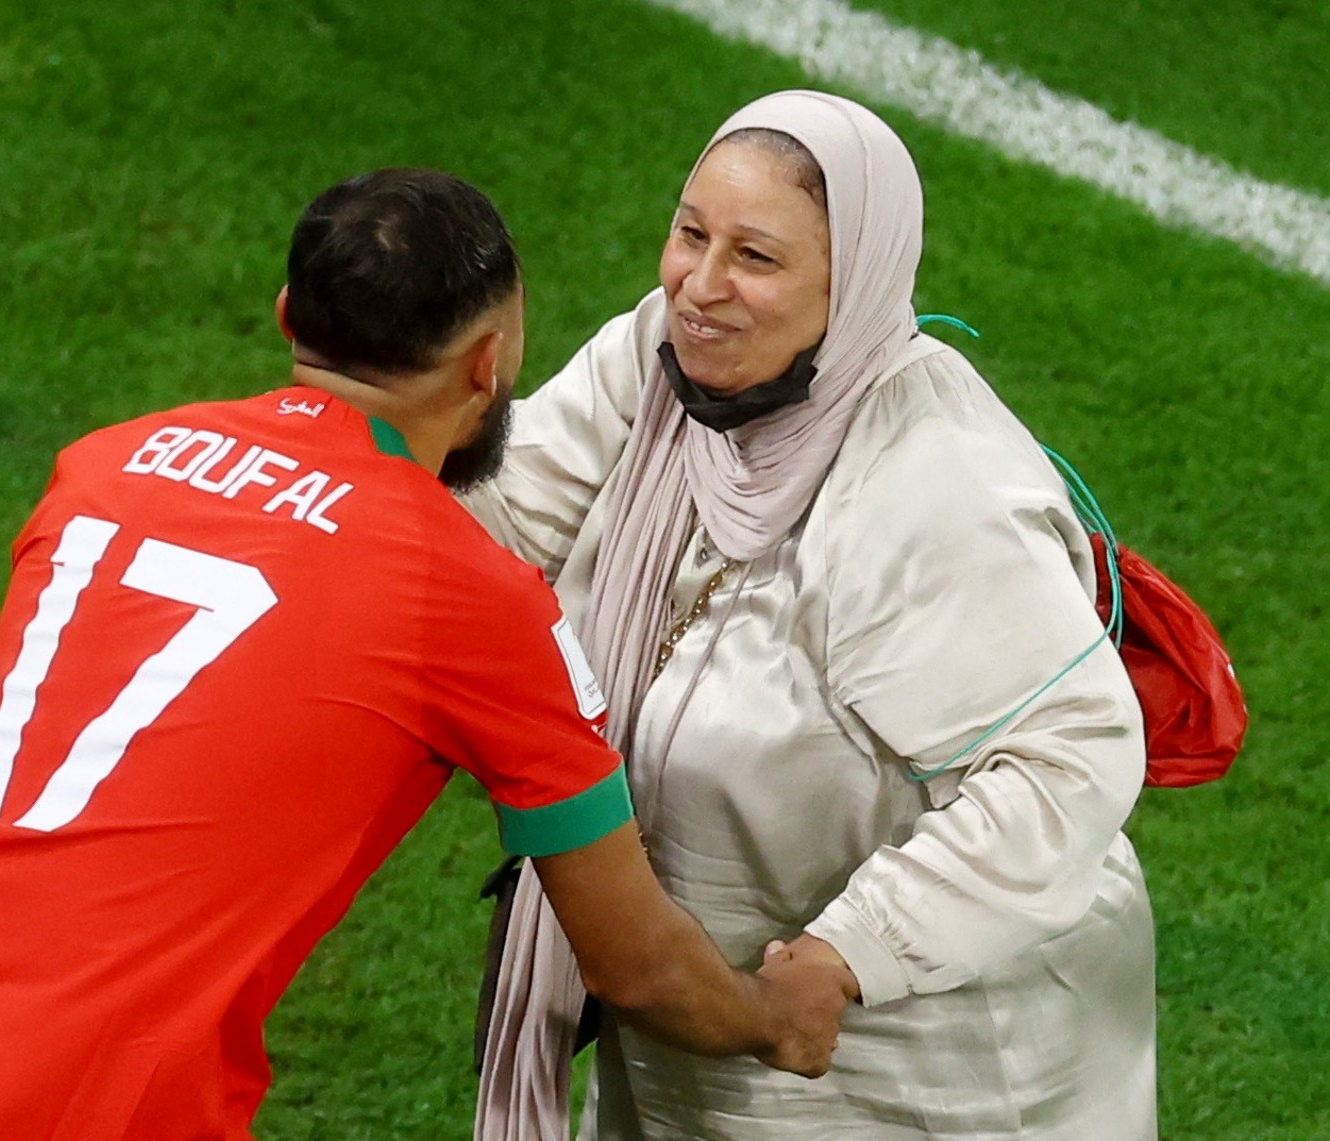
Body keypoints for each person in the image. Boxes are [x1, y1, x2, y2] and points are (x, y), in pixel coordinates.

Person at [0, 168, 858, 1141]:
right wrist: (777, 1018)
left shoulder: (99, 466)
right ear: (486, 363)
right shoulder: (464, 592)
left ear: (288, 316)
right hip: (97, 1101)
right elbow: (636, 968)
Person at [469, 92, 1158, 1140]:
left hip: (923, 1065)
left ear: (857, 284)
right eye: (689, 233)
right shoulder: (663, 363)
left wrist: (850, 954)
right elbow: (502, 519)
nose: (700, 286)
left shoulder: (932, 488)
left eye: (754, 257)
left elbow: (1066, 762)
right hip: (703, 1027)